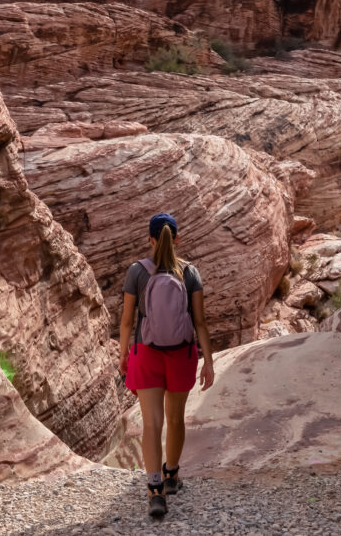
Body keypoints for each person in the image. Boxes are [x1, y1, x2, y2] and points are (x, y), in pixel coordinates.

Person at [118, 212, 215, 518]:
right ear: (177, 239)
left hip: (146, 353)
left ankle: (155, 490)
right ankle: (171, 474)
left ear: (150, 239)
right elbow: (200, 321)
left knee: (151, 424)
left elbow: (127, 321)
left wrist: (124, 354)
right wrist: (208, 361)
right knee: (175, 419)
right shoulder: (190, 272)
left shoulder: (137, 271)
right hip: (181, 354)